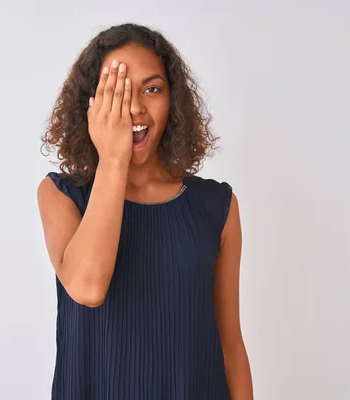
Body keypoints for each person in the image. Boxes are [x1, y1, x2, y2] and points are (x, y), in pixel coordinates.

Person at [37, 23, 253, 399]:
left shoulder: (217, 206)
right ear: (92, 105)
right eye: (115, 91)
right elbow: (88, 288)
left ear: (174, 101)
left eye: (152, 89)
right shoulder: (62, 195)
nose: (135, 106)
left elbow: (230, 344)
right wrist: (114, 157)